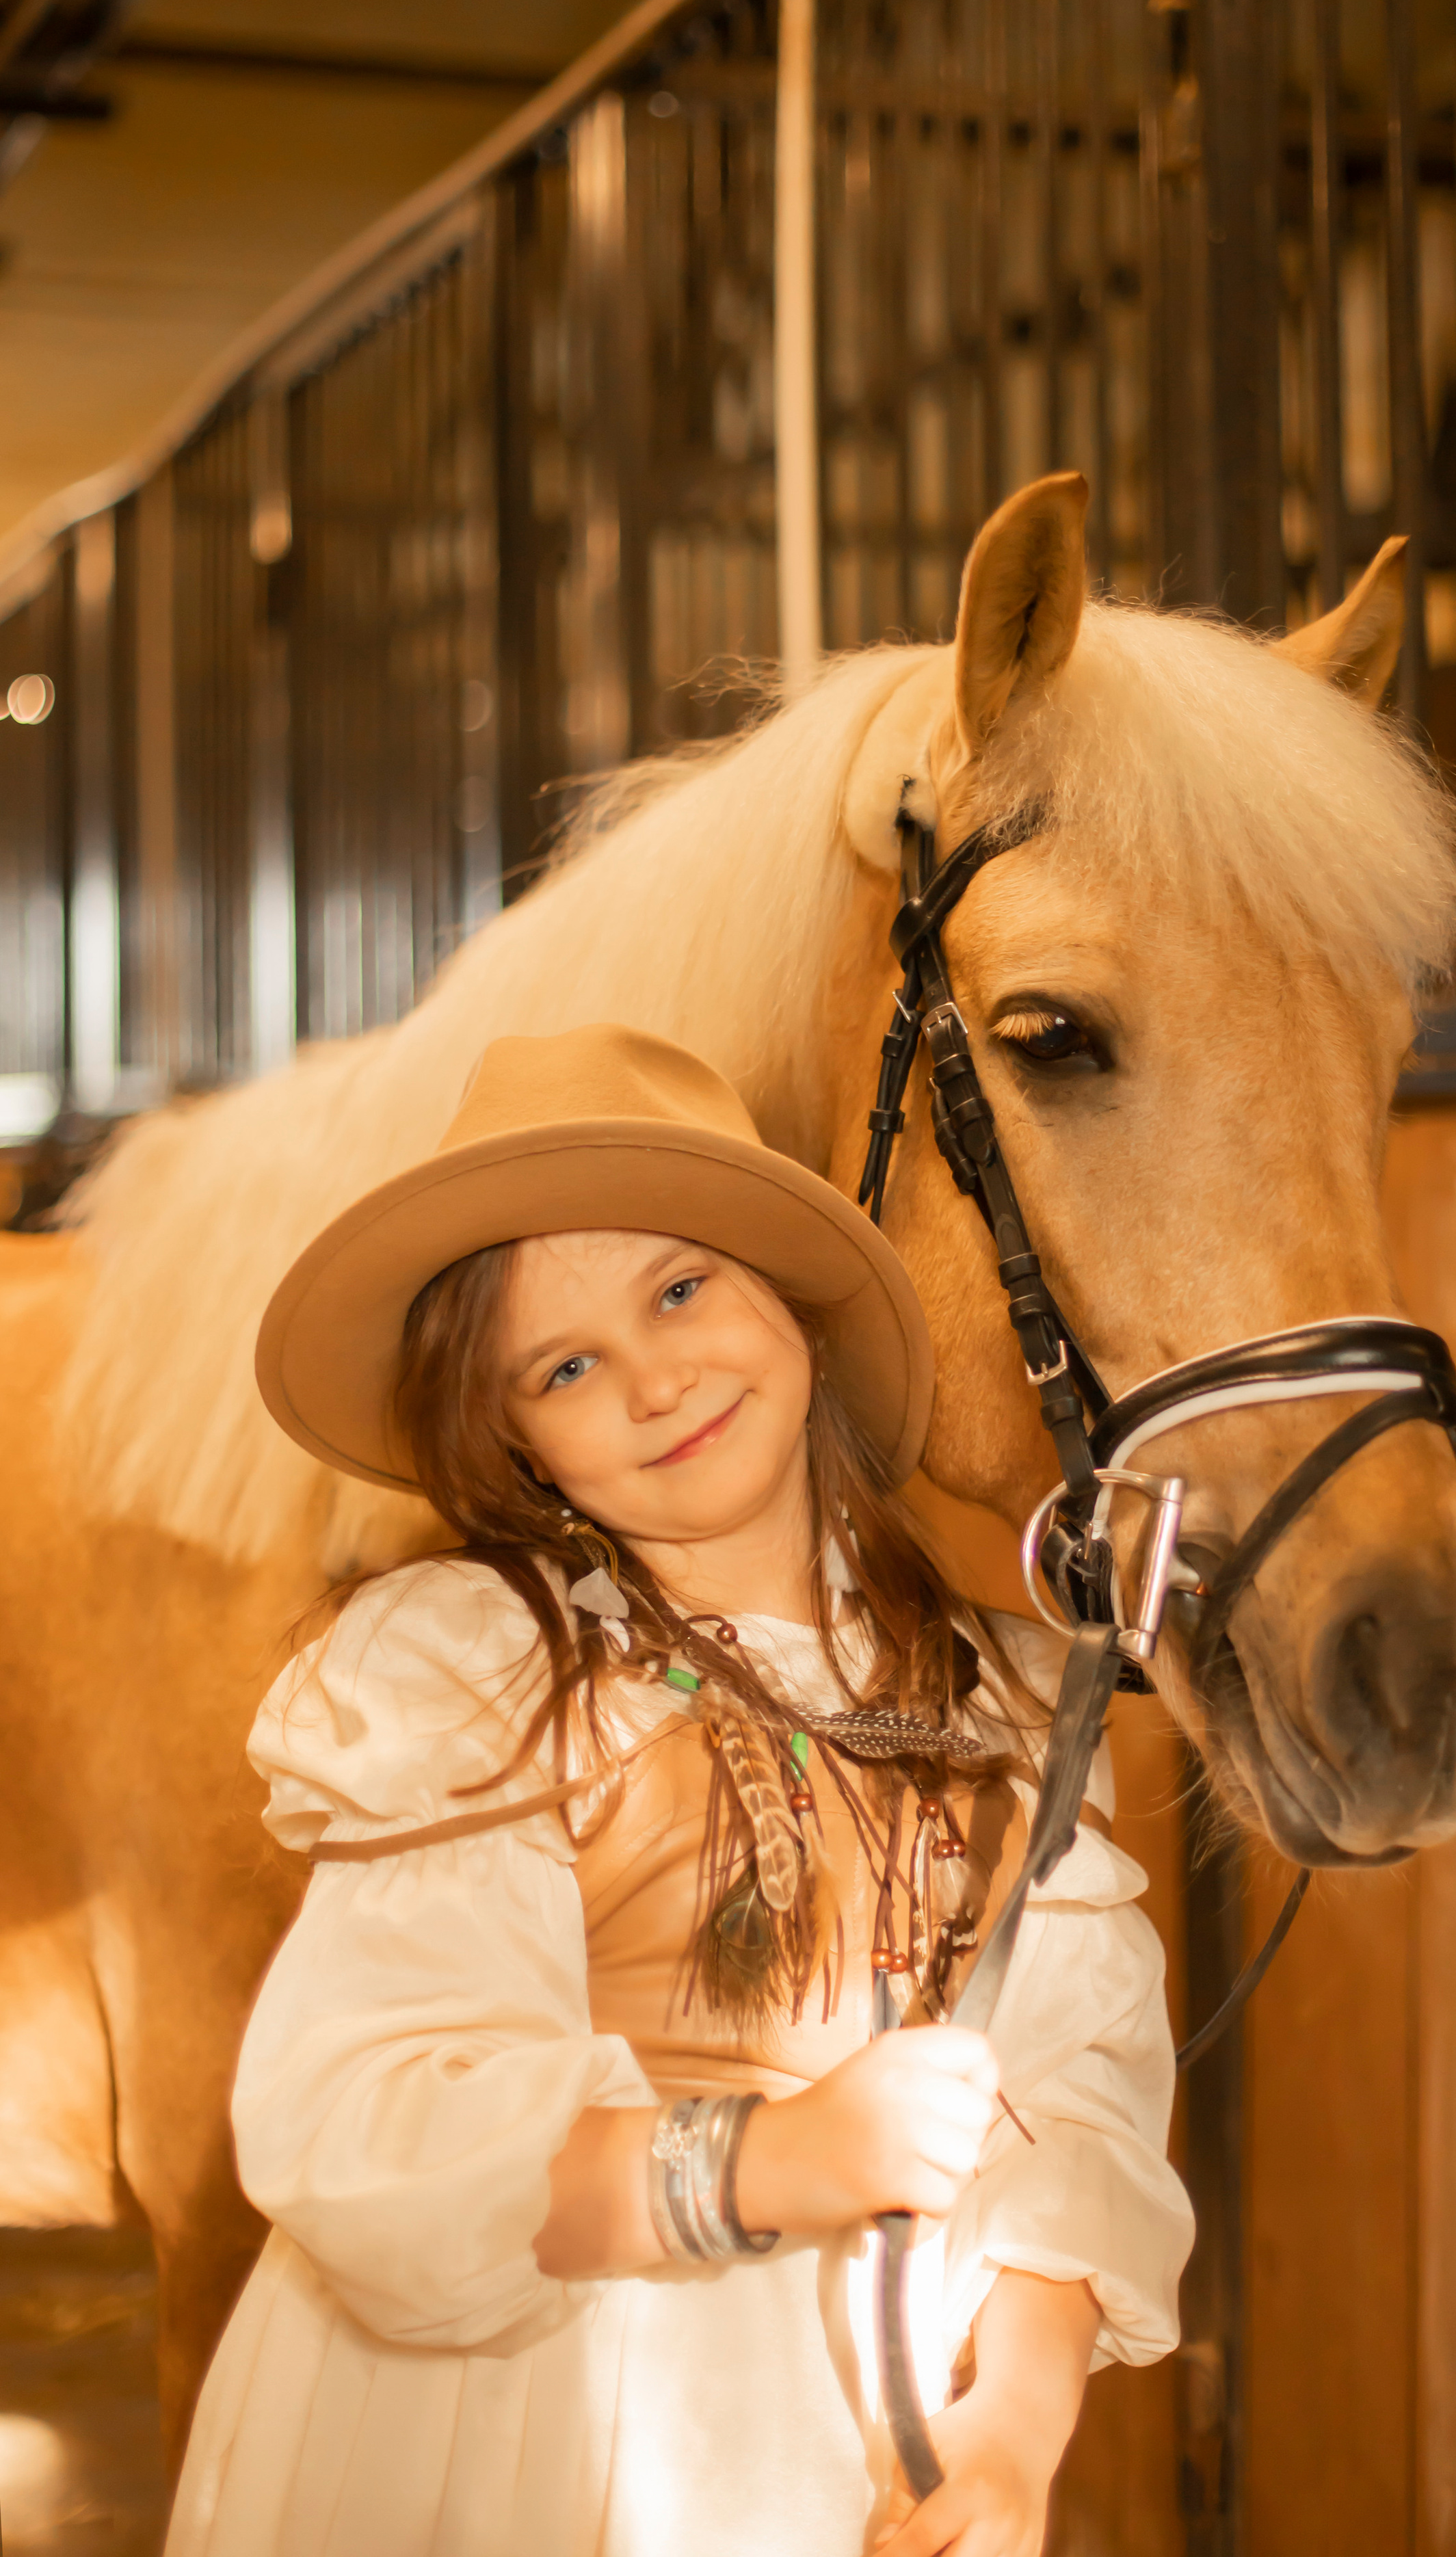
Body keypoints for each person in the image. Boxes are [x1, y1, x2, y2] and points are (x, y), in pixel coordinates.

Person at [166, 1023, 1191, 2557]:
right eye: (565, 1367)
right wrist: (771, 2162)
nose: (654, 1380)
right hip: (521, 2442)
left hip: (858, 2454)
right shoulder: (480, 1675)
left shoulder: (998, 1697)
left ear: (787, 1293)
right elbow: (364, 2134)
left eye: (680, 1288)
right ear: (512, 1441)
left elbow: (1075, 2095)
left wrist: (1013, 2422)